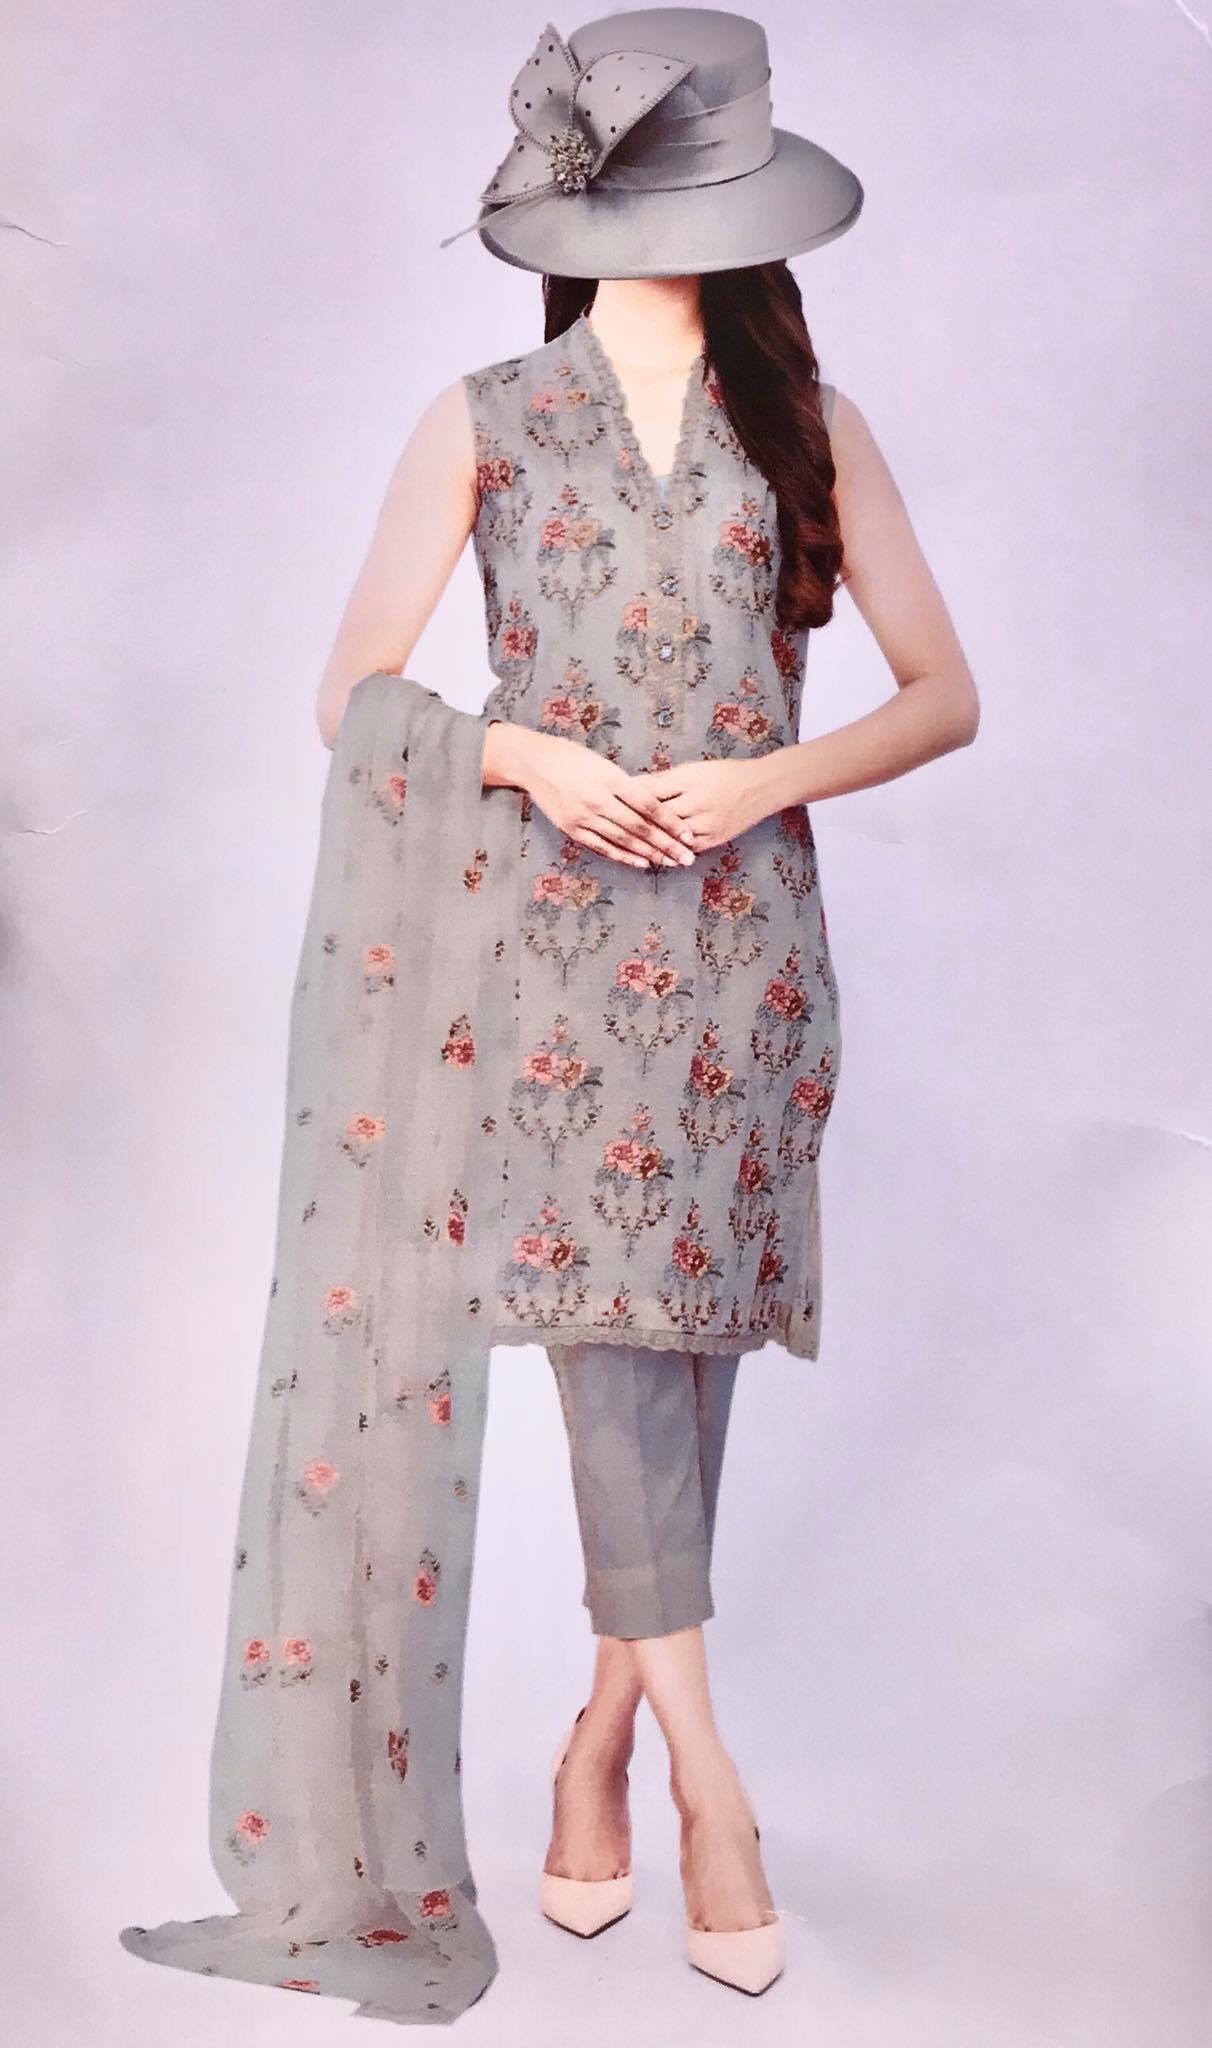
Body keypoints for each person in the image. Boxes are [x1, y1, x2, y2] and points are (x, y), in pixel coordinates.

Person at [314, 7, 979, 1999]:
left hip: (751, 953)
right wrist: (523, 755)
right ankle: (709, 1782)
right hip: (555, 953)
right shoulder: (485, 420)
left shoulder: (812, 424)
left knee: (686, 1353)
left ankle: (595, 1736)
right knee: (613, 1351)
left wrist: (763, 781)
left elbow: (944, 694)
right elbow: (355, 695)